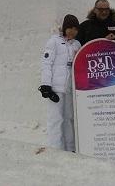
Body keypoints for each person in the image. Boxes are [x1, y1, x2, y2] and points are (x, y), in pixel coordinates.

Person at [39, 14, 81, 152]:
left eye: (75, 29)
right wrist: (46, 85)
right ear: (64, 28)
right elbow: (46, 63)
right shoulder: (54, 42)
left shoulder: (77, 44)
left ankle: (70, 148)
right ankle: (56, 148)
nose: (72, 31)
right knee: (56, 119)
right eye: (70, 28)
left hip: (69, 88)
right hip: (56, 88)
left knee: (69, 119)